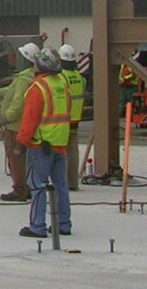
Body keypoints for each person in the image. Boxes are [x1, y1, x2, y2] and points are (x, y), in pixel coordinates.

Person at [17, 47, 73, 238]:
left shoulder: (38, 87)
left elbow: (29, 119)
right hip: (60, 143)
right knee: (60, 185)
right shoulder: (61, 83)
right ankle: (63, 224)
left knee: (37, 185)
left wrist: (21, 142)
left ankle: (37, 226)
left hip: (40, 145)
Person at [0, 41, 39, 202]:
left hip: (14, 127)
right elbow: (10, 92)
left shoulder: (23, 79)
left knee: (15, 160)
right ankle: (27, 187)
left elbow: (18, 104)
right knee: (25, 159)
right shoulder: (28, 77)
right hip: (24, 127)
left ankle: (20, 190)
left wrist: (5, 118)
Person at [58, 44, 86, 191]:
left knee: (60, 154)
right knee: (73, 153)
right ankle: (73, 183)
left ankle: (62, 182)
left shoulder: (62, 77)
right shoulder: (80, 78)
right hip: (76, 120)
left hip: (63, 120)